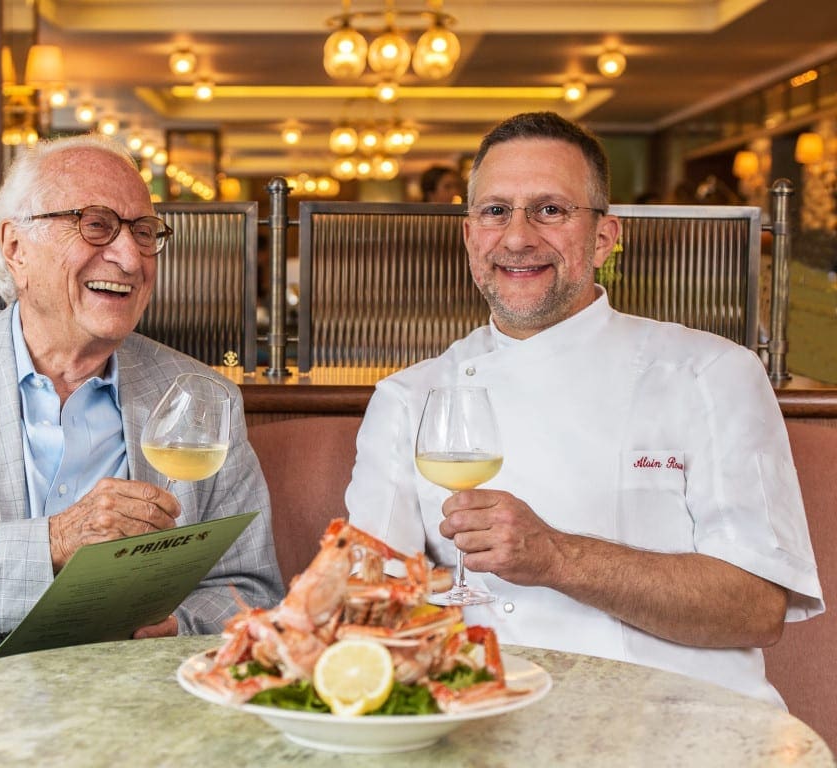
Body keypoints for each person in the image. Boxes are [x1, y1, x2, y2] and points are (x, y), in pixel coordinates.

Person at [0, 134, 284, 749]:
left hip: (125, 709)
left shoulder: (200, 394)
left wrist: (178, 626)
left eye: (145, 232)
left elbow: (250, 589)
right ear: (15, 246)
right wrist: (55, 543)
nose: (130, 257)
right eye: (96, 225)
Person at [345, 111, 823, 705]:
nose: (517, 237)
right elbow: (368, 599)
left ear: (603, 238)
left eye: (550, 209)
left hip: (687, 727)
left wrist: (555, 557)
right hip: (488, 723)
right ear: (470, 237)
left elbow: (755, 609)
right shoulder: (408, 398)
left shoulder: (712, 373)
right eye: (495, 211)